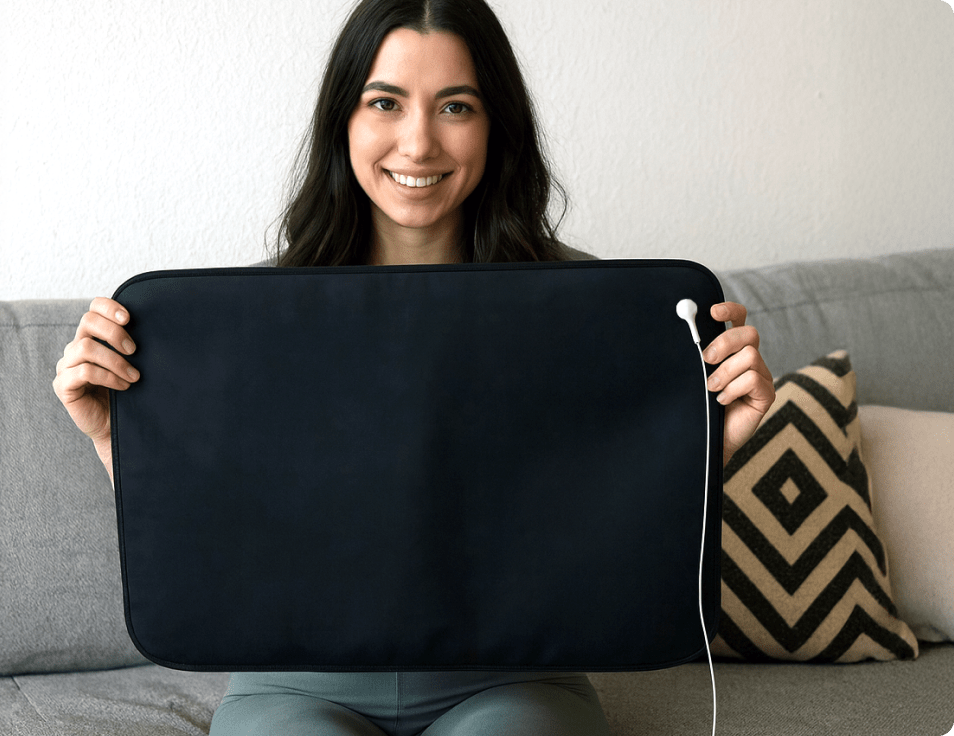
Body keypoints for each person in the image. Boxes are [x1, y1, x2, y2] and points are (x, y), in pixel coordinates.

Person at [53, 0, 777, 733]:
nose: (419, 142)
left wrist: (709, 445)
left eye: (455, 106)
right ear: (344, 120)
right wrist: (117, 437)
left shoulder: (589, 310)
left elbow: (606, 517)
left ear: (496, 125)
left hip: (519, 677)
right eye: (385, 103)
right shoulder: (254, 319)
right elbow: (217, 527)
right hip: (293, 681)